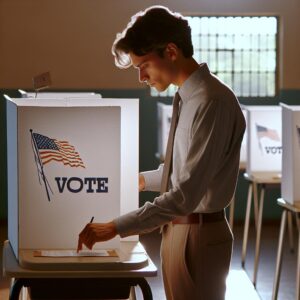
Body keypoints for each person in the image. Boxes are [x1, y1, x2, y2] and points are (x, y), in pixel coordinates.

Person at [77, 5, 246, 300]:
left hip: (199, 234)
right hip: (179, 230)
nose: (142, 77)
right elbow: (182, 174)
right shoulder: (188, 97)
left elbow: (184, 195)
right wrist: (139, 180)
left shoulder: (211, 101)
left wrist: (115, 227)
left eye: (144, 65)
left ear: (170, 51)